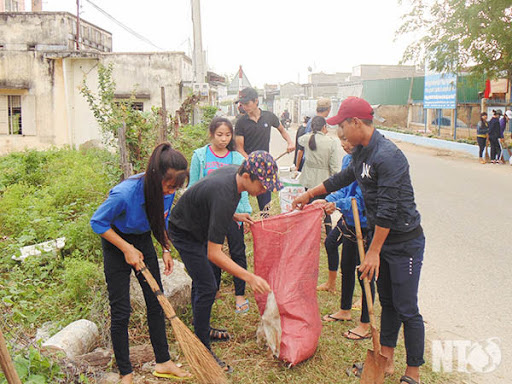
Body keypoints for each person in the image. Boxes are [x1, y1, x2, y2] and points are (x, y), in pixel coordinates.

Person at [292, 97, 426, 384]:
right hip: (382, 239)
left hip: (403, 242)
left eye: (341, 127)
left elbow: (389, 211)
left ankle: (412, 372)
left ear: (356, 123)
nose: (339, 133)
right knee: (387, 302)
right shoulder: (361, 153)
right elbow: (340, 179)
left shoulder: (387, 156)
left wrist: (373, 252)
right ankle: (385, 360)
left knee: (406, 307)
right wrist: (309, 194)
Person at [90, 143, 192, 384]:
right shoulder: (125, 193)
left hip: (143, 238)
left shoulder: (167, 191)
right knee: (121, 310)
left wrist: (166, 248)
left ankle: (163, 362)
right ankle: (126, 372)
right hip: (116, 241)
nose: (171, 192)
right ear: (156, 177)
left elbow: (159, 219)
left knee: (157, 301)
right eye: (169, 186)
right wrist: (126, 248)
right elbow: (97, 223)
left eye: (176, 188)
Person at [169, 151, 278, 372]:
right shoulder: (224, 193)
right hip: (184, 232)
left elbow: (210, 204)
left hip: (198, 224)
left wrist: (234, 215)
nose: (265, 190)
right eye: (264, 184)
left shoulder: (234, 178)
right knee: (208, 285)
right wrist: (249, 277)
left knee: (203, 283)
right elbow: (214, 254)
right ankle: (202, 345)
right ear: (247, 176)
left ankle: (202, 328)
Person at [189, 117, 252, 314]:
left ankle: (239, 294)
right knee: (212, 252)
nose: (223, 139)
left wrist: (245, 212)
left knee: (237, 251)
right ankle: (213, 289)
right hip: (208, 214)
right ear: (211, 134)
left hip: (234, 212)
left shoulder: (237, 159)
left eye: (227, 135)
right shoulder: (200, 156)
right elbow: (193, 186)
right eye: (219, 135)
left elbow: (244, 190)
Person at [319, 129, 375, 342]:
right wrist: (329, 198)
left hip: (366, 226)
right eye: (341, 139)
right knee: (347, 266)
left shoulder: (369, 164)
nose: (343, 143)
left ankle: (365, 323)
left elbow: (360, 200)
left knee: (365, 274)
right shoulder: (347, 161)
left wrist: (337, 204)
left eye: (347, 139)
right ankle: (344, 310)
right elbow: (342, 188)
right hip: (350, 223)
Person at [235, 87, 295, 211]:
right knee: (242, 198)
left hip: (265, 166)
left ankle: (265, 222)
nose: (245, 107)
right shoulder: (241, 123)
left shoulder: (269, 117)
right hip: (248, 166)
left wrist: (289, 143)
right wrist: (251, 162)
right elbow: (239, 148)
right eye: (242, 104)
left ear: (256, 101)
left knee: (265, 201)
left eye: (247, 103)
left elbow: (282, 130)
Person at [298, 116, 341, 235]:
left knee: (308, 207)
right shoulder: (330, 142)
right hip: (324, 181)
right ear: (324, 127)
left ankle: (308, 233)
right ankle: (328, 232)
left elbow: (299, 140)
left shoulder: (307, 139)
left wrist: (312, 133)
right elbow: (334, 166)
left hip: (308, 179)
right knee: (325, 207)